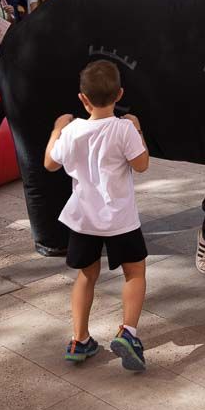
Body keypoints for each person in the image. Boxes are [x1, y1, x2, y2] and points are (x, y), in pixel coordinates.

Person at [43, 61, 149, 370]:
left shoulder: (73, 130)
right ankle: (128, 333)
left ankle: (79, 339)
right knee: (135, 274)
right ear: (119, 94)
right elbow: (141, 164)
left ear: (82, 99)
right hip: (121, 219)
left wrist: (56, 129)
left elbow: (49, 163)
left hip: (83, 220)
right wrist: (137, 126)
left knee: (86, 275)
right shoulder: (124, 128)